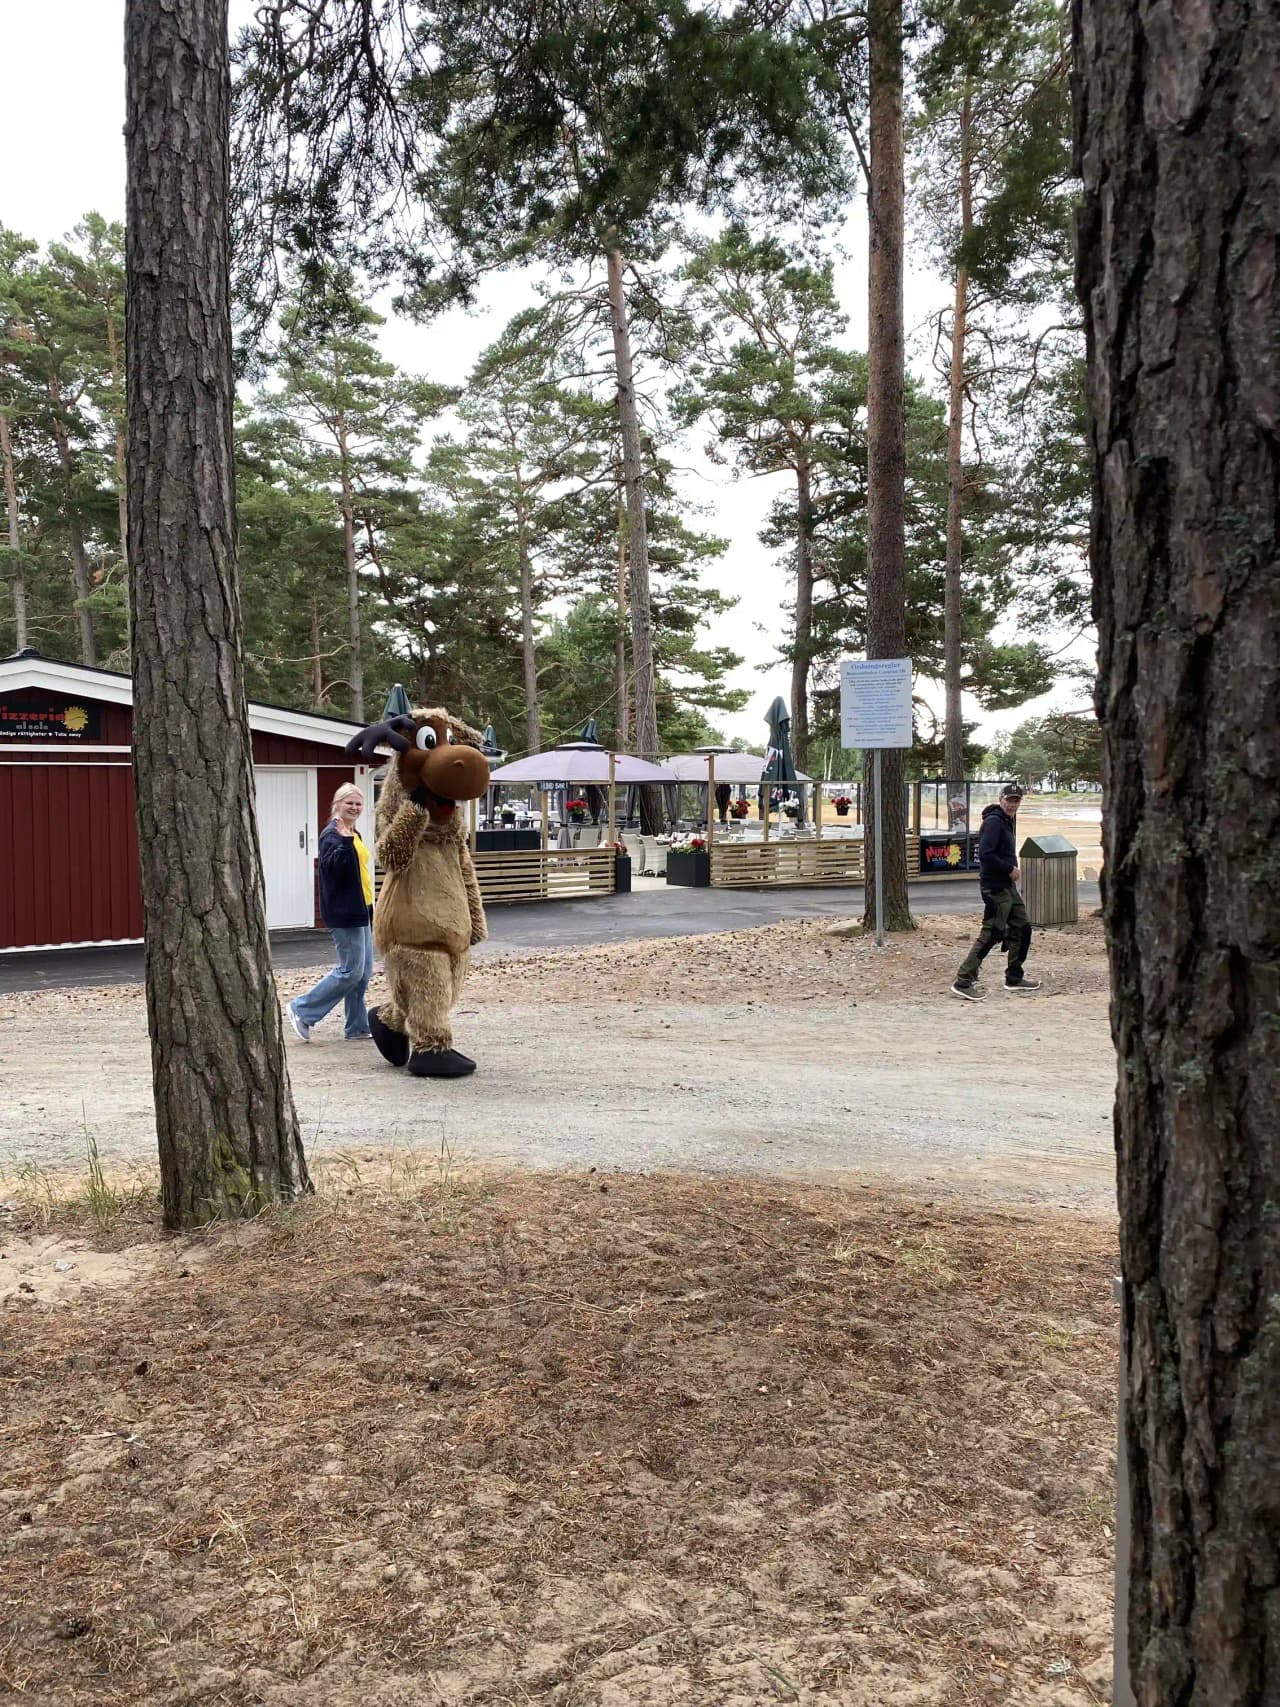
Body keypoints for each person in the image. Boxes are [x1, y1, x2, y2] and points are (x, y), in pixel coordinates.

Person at [287, 783, 375, 1041]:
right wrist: (346, 844)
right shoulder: (332, 835)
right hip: (344, 912)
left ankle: (357, 1027)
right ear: (338, 804)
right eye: (350, 803)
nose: (355, 808)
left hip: (363, 909)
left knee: (363, 973)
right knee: (350, 971)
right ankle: (302, 1009)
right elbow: (334, 868)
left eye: (358, 804)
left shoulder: (352, 832)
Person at [950, 783, 1041, 1001]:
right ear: (1001, 799)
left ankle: (1014, 977)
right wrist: (1009, 868)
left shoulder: (1006, 821)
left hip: (1007, 887)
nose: (1012, 804)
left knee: (1022, 926)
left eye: (1016, 800)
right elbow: (986, 854)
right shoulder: (993, 822)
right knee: (992, 933)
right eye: (1009, 800)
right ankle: (963, 981)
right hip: (994, 887)